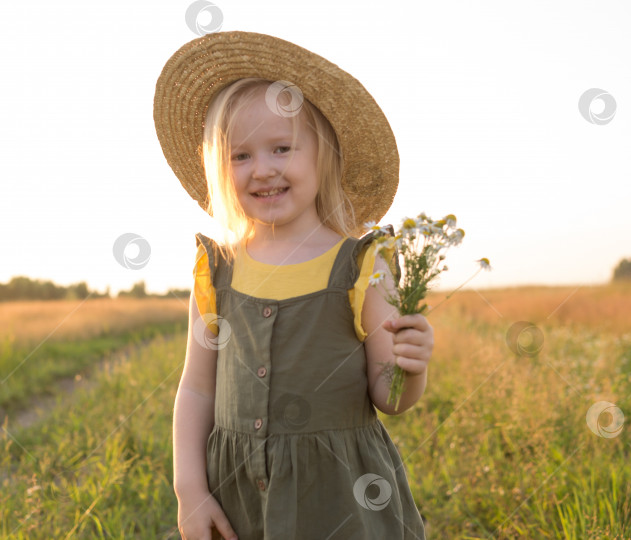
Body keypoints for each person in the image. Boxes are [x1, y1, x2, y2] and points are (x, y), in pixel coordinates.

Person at [154, 31, 432, 540]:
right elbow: (196, 387)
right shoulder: (216, 269)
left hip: (341, 499)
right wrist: (189, 490)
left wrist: (410, 369)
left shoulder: (362, 265)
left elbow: (388, 396)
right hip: (238, 499)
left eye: (281, 148)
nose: (262, 170)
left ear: (322, 155)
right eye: (240, 156)